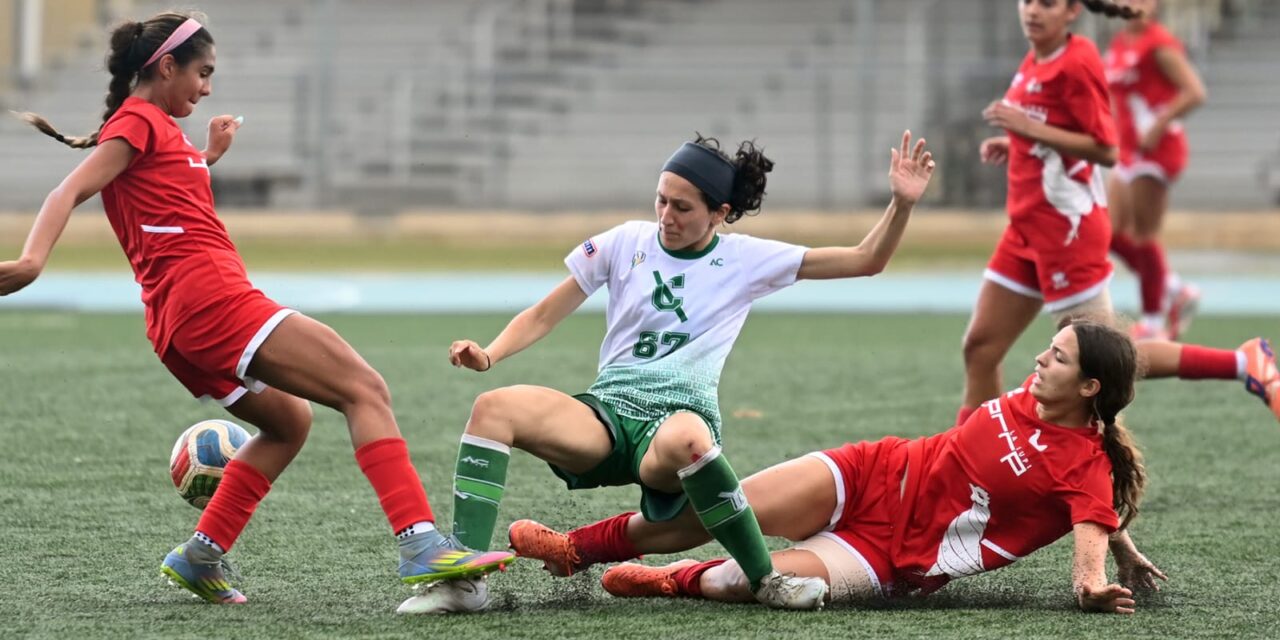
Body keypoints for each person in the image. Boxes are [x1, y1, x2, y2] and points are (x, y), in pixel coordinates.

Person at [0, 12, 512, 606]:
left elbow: (159, 184)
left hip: (175, 327)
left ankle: (200, 555)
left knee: (288, 423)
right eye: (203, 73)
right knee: (364, 389)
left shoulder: (151, 127)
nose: (209, 88)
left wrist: (207, 157)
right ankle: (421, 544)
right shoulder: (139, 120)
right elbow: (69, 189)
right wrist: (33, 261)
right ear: (166, 67)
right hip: (210, 301)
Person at [432, 130, 935, 613]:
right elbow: (544, 313)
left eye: (682, 206)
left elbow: (866, 260)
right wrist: (489, 354)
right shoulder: (624, 241)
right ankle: (462, 580)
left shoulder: (745, 259)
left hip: (673, 428)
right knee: (494, 408)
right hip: (606, 416)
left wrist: (903, 203)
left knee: (689, 438)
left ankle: (766, 581)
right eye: (661, 200)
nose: (665, 216)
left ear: (720, 213)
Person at [512, 320, 1168, 613]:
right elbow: (1096, 511)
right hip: (869, 471)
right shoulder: (1033, 398)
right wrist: (1127, 545)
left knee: (746, 584)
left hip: (889, 553)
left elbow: (1089, 521)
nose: (1040, 361)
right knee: (711, 508)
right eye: (1048, 349)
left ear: (1088, 388)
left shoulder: (1086, 465)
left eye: (1057, 357)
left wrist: (1098, 581)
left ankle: (678, 580)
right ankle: (574, 548)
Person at [960, 0, 1278, 425]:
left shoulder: (1079, 60)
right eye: (1027, 0)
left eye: (1048, 4)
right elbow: (1056, 132)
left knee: (1104, 359)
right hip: (1024, 230)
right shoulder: (1034, 59)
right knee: (980, 349)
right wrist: (1018, 145)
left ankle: (1243, 362)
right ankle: (973, 464)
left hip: (1066, 233)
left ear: (1072, 12)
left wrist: (1027, 129)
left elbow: (1106, 148)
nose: (1032, 10)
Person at [1104, 0, 1207, 340]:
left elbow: (1195, 92)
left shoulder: (1159, 43)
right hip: (1129, 149)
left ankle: (1152, 321)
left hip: (1156, 149)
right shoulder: (1120, 43)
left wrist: (1160, 124)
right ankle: (1173, 288)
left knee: (1144, 235)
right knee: (1106, 231)